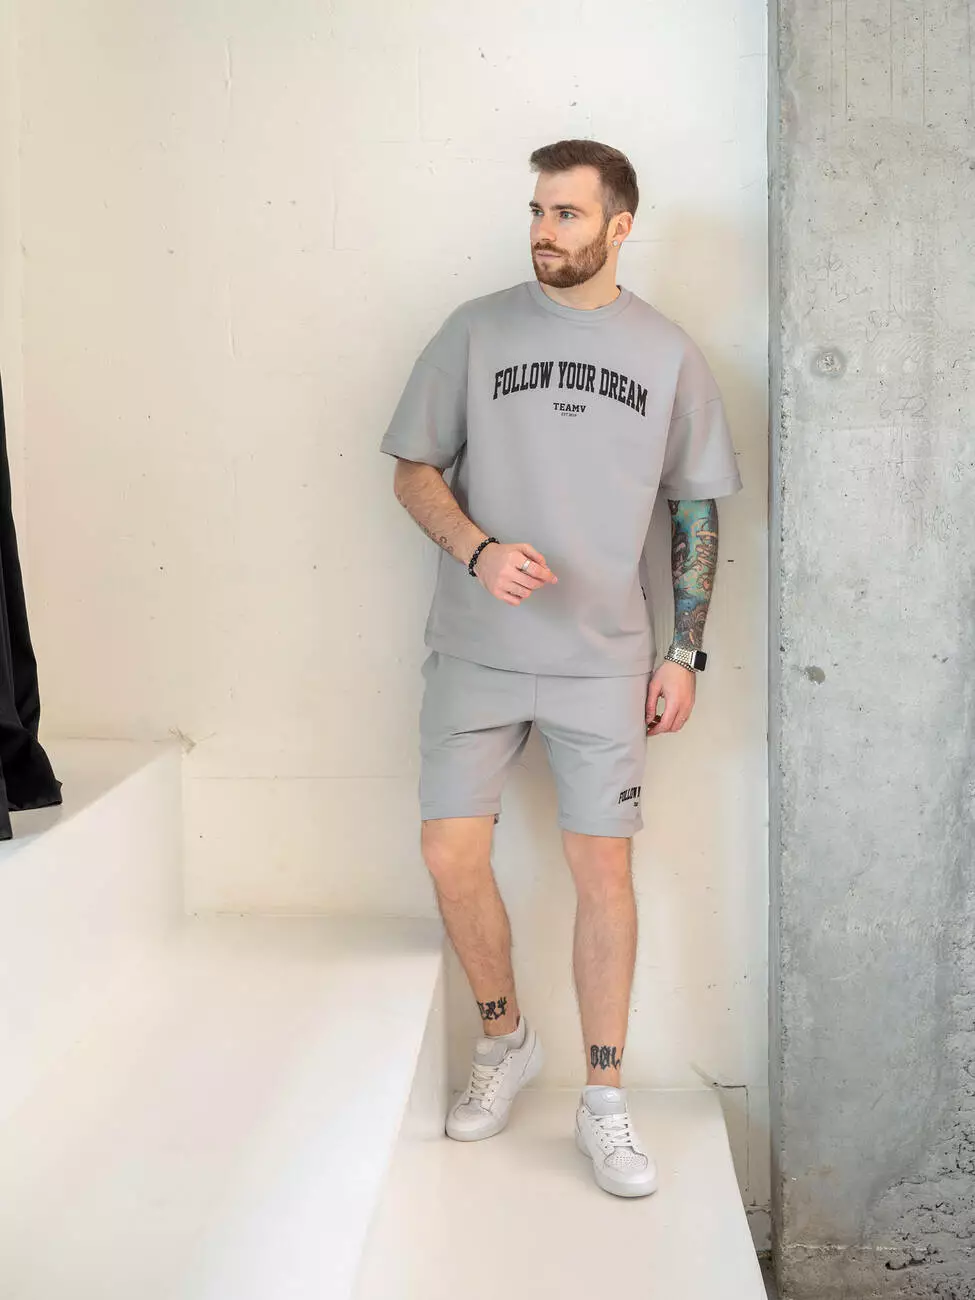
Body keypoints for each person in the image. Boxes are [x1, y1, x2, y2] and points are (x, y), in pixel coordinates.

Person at [379, 138, 743, 1199]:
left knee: (602, 875)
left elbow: (695, 508)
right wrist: (478, 550)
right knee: (449, 853)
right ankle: (505, 1039)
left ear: (620, 227)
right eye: (538, 211)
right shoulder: (474, 330)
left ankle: (604, 1101)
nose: (544, 230)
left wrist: (684, 650)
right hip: (476, 650)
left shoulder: (668, 354)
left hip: (603, 663)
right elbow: (412, 470)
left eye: (567, 215)